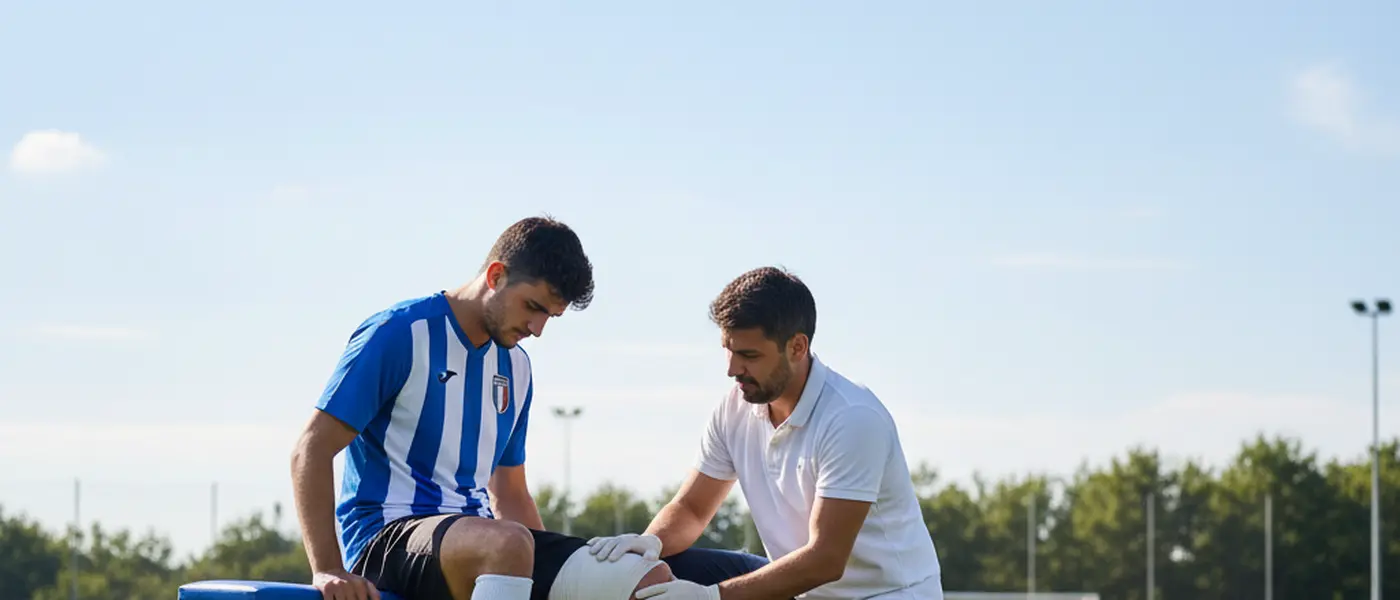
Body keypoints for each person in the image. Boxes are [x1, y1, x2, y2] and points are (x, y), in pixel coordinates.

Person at [585, 267, 943, 600]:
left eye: (749, 355)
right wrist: (650, 544)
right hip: (803, 591)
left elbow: (826, 559)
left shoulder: (853, 419)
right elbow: (692, 509)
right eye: (728, 349)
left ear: (797, 347)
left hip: (884, 594)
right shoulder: (735, 408)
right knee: (658, 571)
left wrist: (712, 598)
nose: (731, 368)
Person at [290, 216, 596, 600]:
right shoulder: (400, 333)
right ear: (496, 275)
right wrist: (328, 569)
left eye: (549, 317)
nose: (537, 328)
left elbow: (511, 494)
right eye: (532, 306)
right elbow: (310, 449)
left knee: (639, 576)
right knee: (507, 546)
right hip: (386, 537)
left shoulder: (516, 367)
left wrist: (553, 579)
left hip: (483, 540)